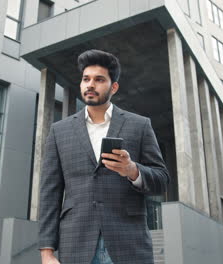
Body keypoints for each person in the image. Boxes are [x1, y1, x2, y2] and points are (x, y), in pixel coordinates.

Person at [38, 49, 169, 264]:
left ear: (113, 87)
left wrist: (132, 171)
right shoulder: (59, 131)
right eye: (85, 79)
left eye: (99, 80)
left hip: (129, 245)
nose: (90, 85)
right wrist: (47, 251)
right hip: (76, 245)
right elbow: (49, 193)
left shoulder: (140, 125)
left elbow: (162, 181)